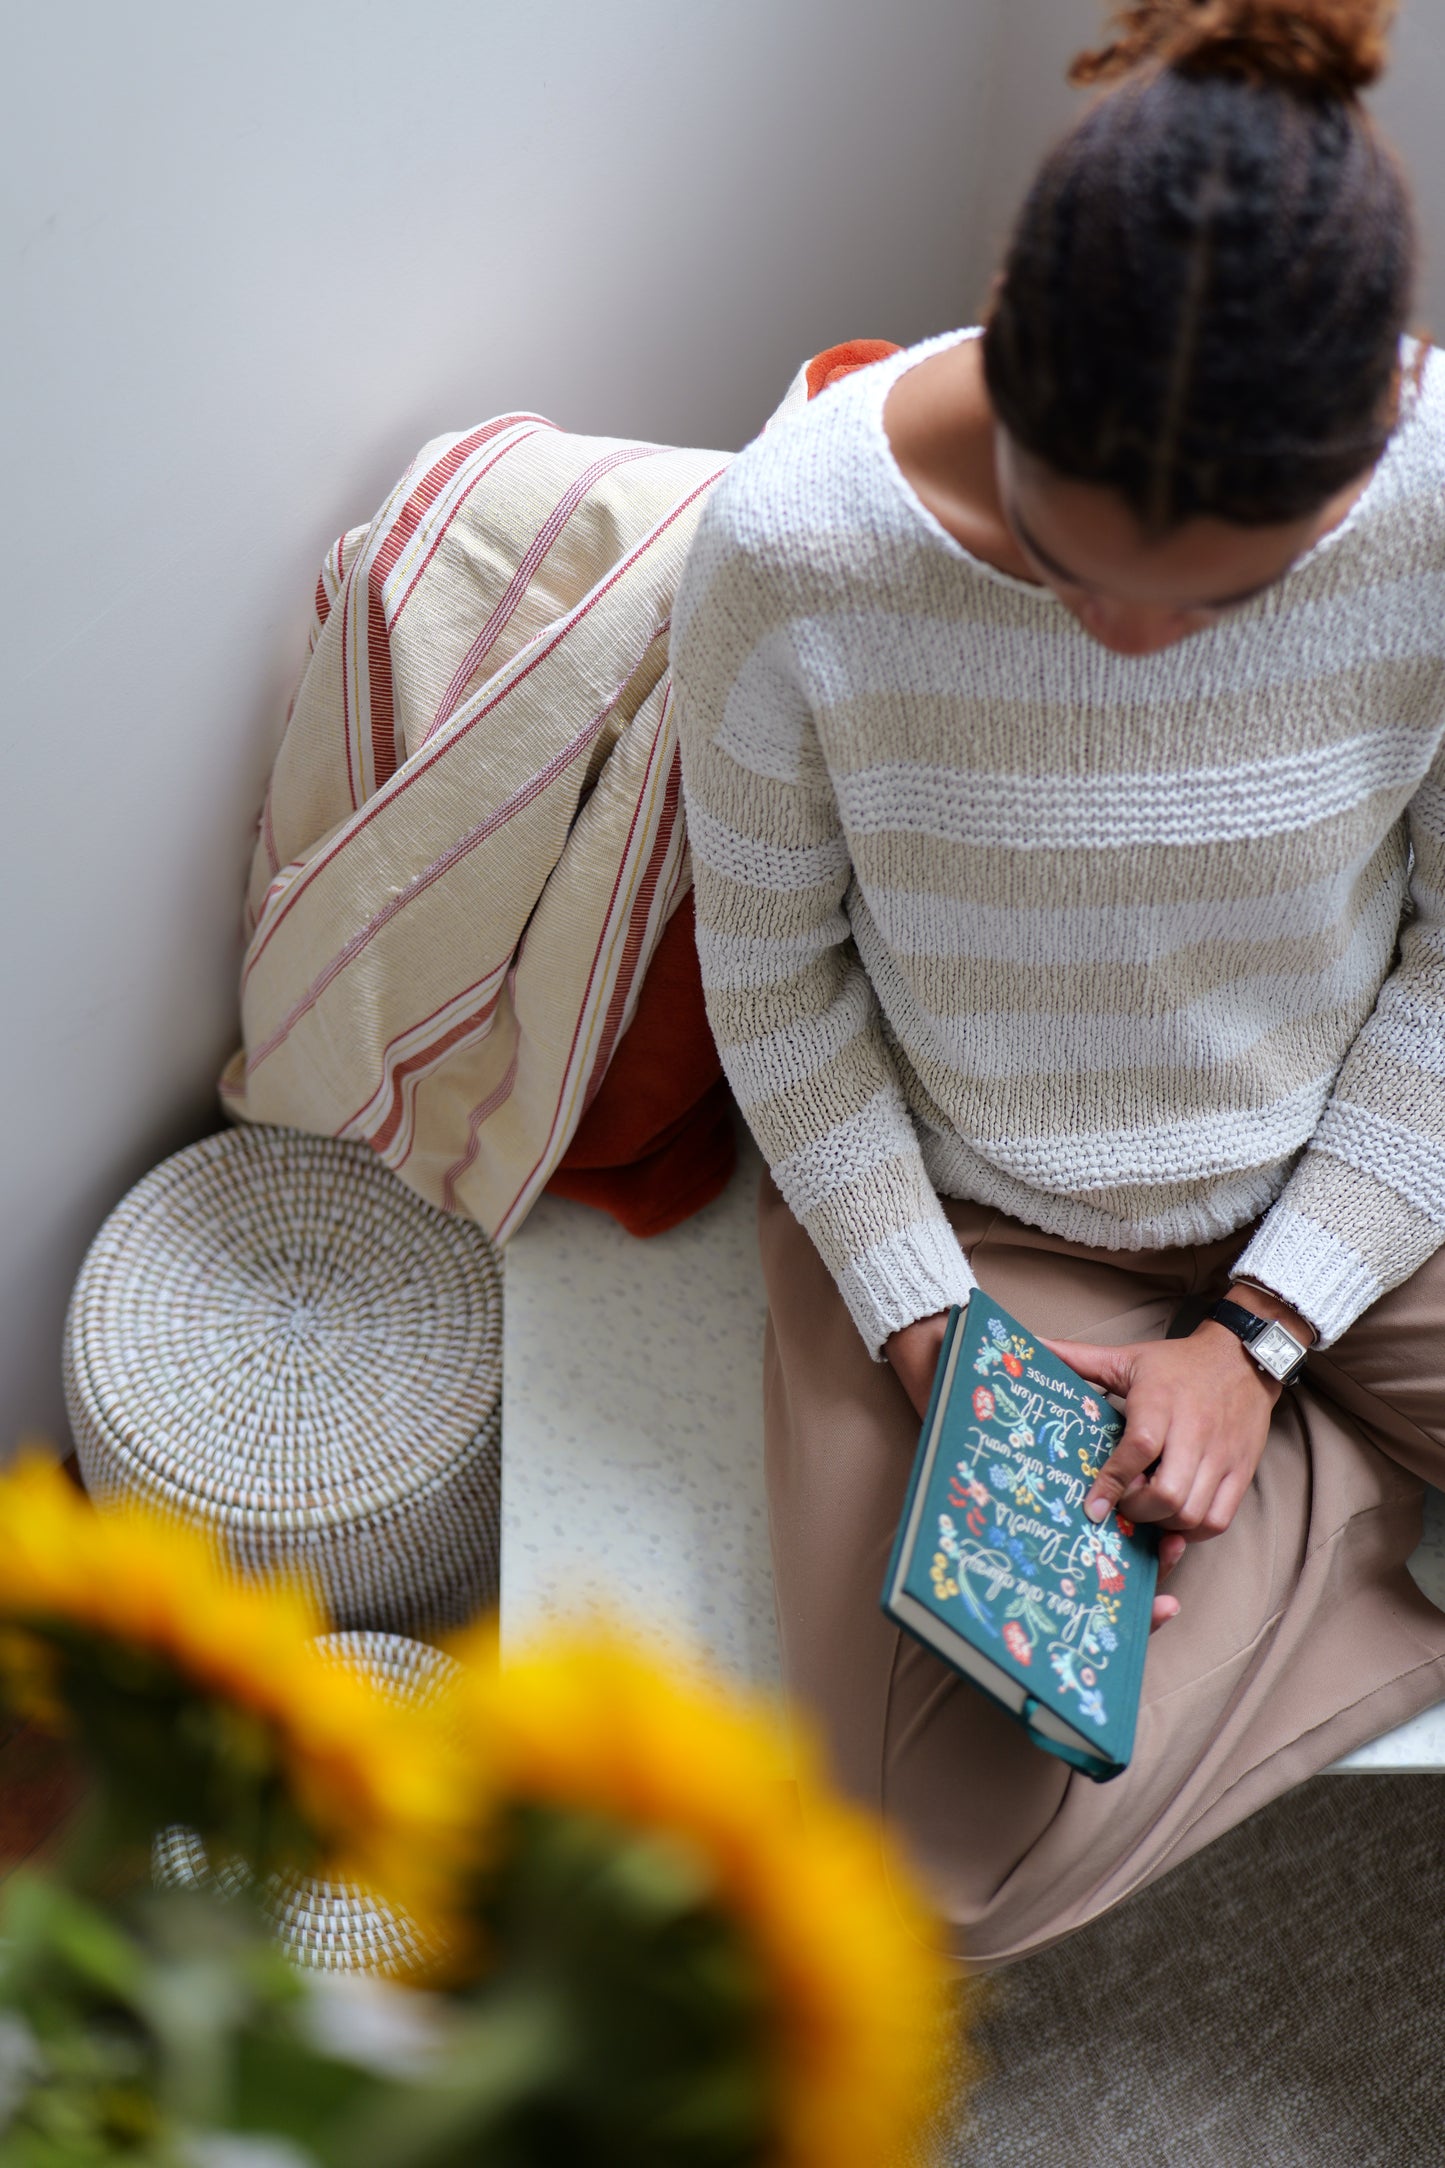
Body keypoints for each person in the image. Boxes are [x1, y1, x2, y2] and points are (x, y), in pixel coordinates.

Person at [671, 0, 1445, 1965]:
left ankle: (1287, 1466)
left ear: (1372, 445)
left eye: (1223, 597)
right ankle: (1342, 1511)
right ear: (1003, 327)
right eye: (1061, 550)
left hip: (1364, 1149)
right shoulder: (790, 551)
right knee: (926, 1860)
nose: (1124, 642)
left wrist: (1262, 1333)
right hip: (994, 1220)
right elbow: (777, 994)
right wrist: (936, 1340)